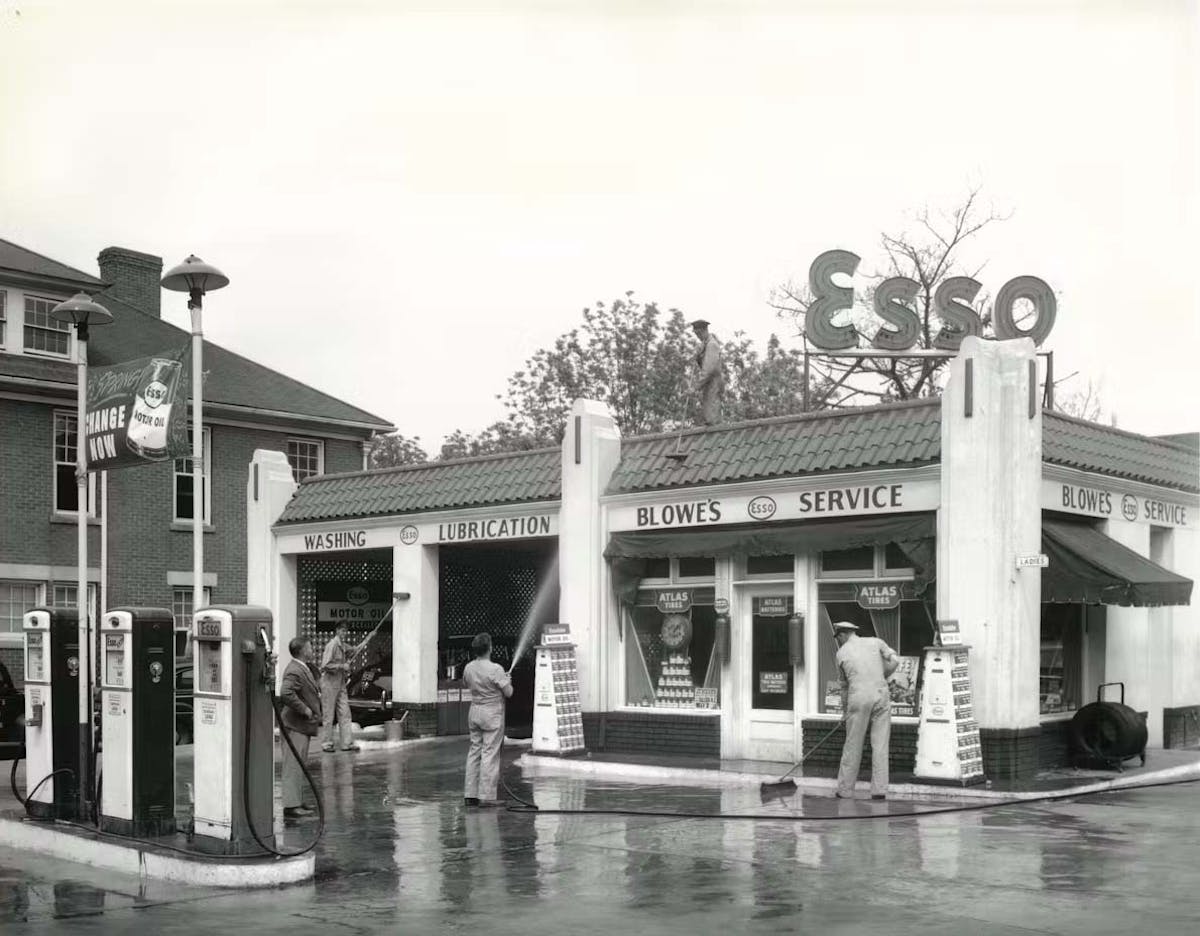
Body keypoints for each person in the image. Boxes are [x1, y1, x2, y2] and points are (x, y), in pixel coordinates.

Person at [833, 621, 900, 800]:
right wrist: (881, 675)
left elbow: (844, 686)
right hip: (880, 694)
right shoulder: (876, 642)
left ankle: (845, 791)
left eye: (838, 638)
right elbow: (895, 660)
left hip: (858, 698)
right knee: (880, 745)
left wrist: (845, 711)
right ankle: (879, 791)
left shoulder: (841, 653)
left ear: (842, 635)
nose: (839, 641)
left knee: (853, 745)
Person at [462, 632, 513, 807]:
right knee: (489, 753)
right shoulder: (496, 669)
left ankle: (470, 794)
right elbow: (509, 692)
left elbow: (466, 683)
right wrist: (507, 680)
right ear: (489, 648)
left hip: (474, 712)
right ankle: (487, 796)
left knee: (475, 751)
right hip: (492, 714)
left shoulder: (468, 667)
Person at [319, 621, 380, 753]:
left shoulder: (343, 645)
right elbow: (325, 665)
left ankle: (347, 743)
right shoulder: (332, 645)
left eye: (345, 631)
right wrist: (342, 666)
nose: (344, 633)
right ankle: (327, 743)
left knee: (345, 713)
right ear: (337, 631)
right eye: (341, 630)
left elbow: (355, 650)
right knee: (328, 715)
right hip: (329, 683)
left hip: (340, 683)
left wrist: (369, 638)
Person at [279, 637, 322, 819]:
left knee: (299, 765)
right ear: (303, 650)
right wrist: (304, 709)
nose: (312, 649)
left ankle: (297, 801)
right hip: (294, 725)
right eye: (310, 646)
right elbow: (285, 692)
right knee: (293, 765)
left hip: (301, 726)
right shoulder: (295, 670)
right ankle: (291, 806)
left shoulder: (304, 668)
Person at [690, 318, 724, 426]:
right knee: (707, 412)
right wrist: (698, 357)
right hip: (708, 384)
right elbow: (703, 365)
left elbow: (708, 370)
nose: (698, 337)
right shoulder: (704, 345)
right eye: (696, 334)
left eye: (698, 334)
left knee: (712, 416)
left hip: (713, 383)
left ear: (703, 331)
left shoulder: (712, 345)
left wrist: (695, 387)